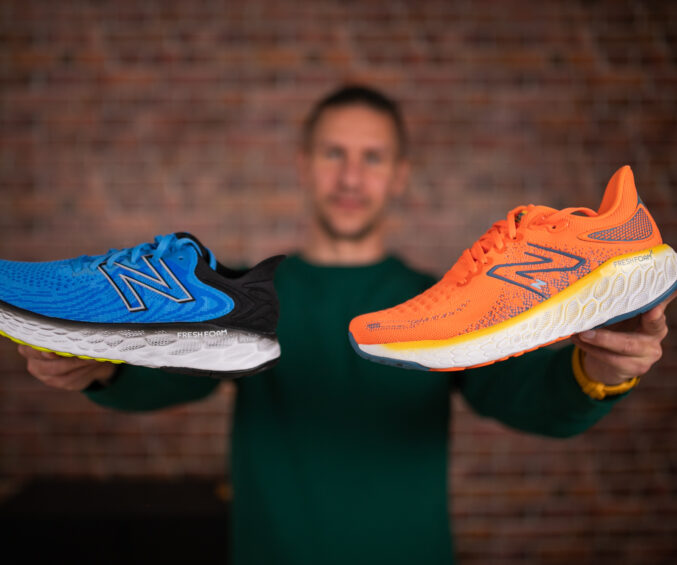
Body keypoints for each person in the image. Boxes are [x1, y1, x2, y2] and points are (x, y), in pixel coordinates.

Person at [18, 85, 674, 565]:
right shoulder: (252, 296)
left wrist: (598, 369)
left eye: (372, 157)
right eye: (334, 154)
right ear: (303, 166)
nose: (351, 176)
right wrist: (98, 365)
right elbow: (170, 374)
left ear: (400, 176)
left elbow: (523, 395)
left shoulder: (441, 302)